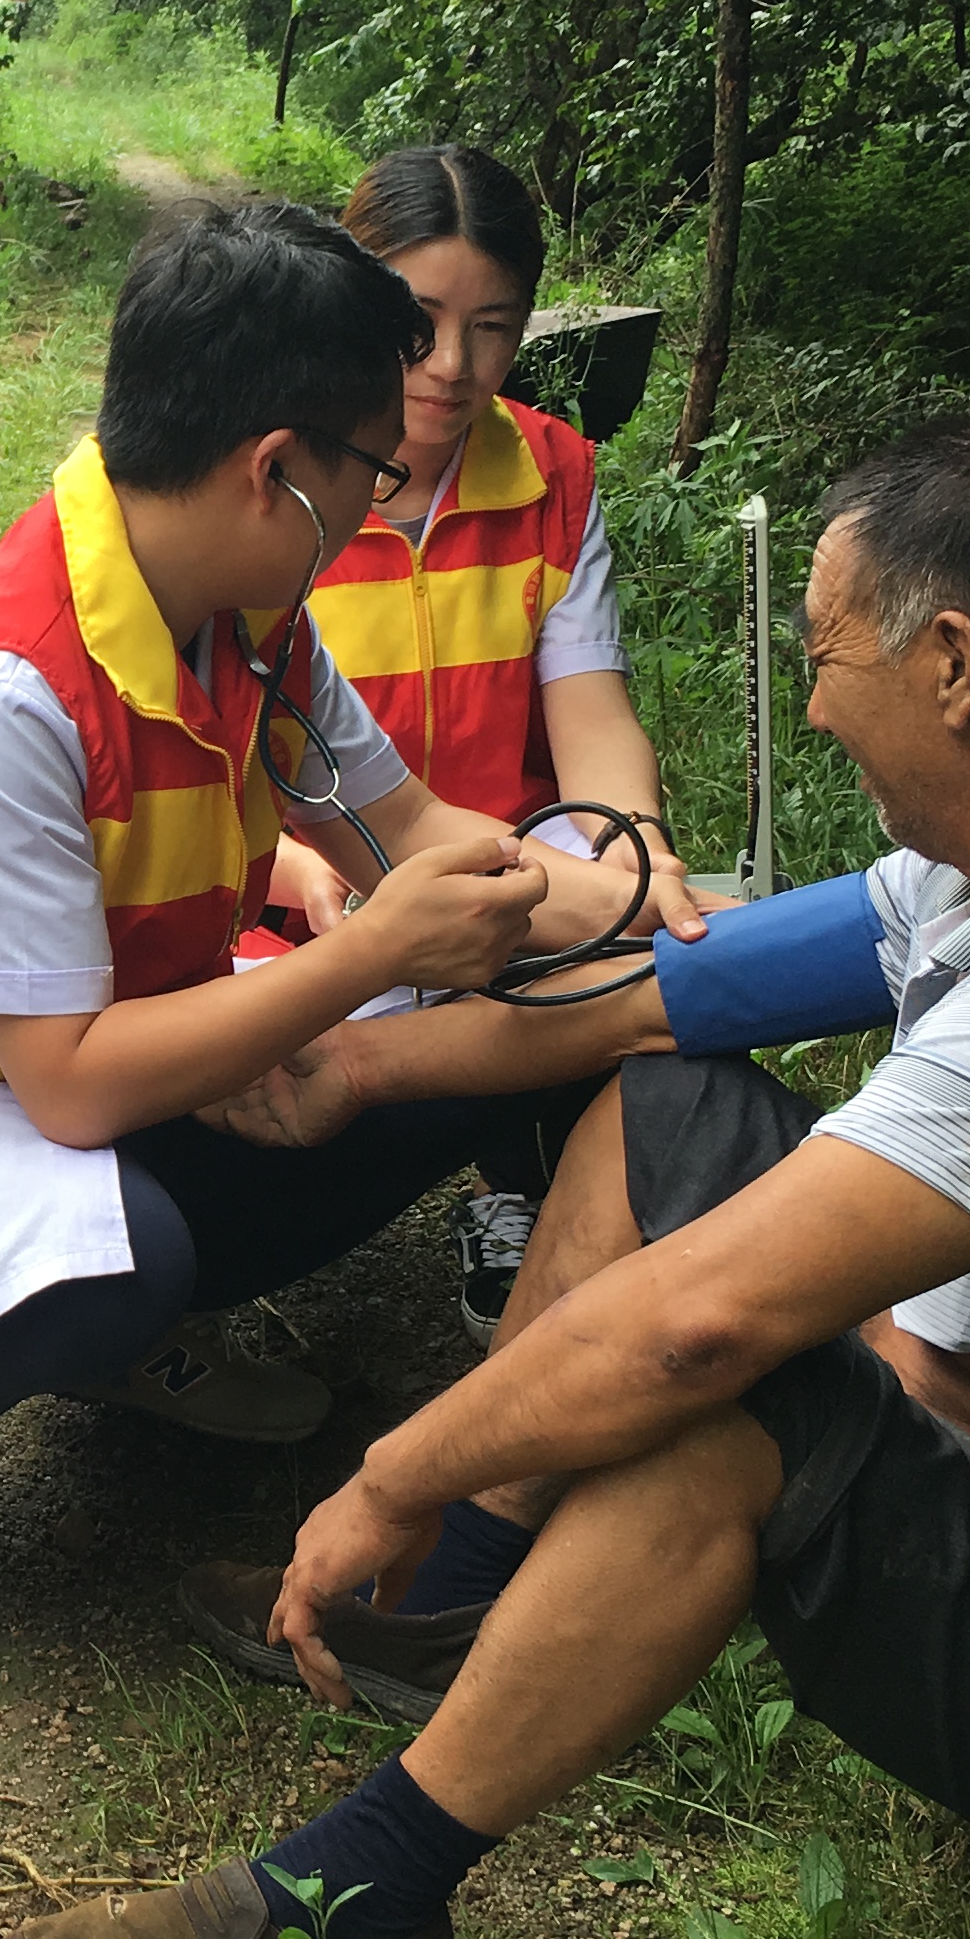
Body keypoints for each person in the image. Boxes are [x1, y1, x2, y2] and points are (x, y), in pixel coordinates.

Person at [0, 417, 970, 1939]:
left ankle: (348, 1921)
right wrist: (352, 1060)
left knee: (722, 1398)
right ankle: (459, 1611)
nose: (818, 702)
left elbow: (694, 1324)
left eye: (830, 656)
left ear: (956, 662)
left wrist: (388, 1471)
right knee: (668, 1095)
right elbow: (659, 998)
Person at [0, 200, 687, 1610]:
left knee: (472, 1042)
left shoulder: (248, 624)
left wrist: (650, 907)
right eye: (372, 467)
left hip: (99, 1044)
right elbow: (62, 1090)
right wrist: (364, 961)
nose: (382, 500)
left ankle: (116, 1330)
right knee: (140, 1245)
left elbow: (416, 834)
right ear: (274, 472)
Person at [270, 147, 690, 1345]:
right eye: (418, 323)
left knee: (607, 908)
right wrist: (301, 876)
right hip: (311, 891)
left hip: (508, 867)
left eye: (493, 328)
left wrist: (639, 857)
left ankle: (531, 1192)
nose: (452, 369)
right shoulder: (281, 484)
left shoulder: (553, 473)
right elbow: (200, 758)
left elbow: (592, 705)